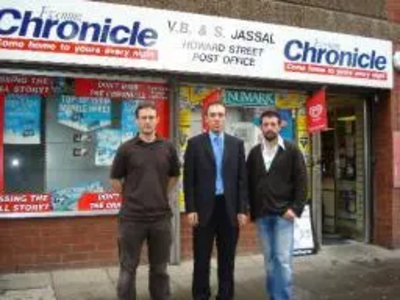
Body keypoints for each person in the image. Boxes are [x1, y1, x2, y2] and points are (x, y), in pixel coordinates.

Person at [110, 103, 180, 300]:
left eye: (151, 117)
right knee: (127, 269)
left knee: (159, 269)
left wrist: (160, 193)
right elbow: (115, 180)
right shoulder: (126, 149)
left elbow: (174, 175)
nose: (147, 121)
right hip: (131, 219)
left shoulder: (168, 147)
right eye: (143, 118)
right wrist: (132, 194)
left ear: (157, 120)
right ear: (137, 121)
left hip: (160, 219)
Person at [183, 102, 248, 300]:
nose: (217, 118)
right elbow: (189, 180)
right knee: (201, 258)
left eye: (220, 115)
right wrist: (191, 208)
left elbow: (241, 180)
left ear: (225, 118)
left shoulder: (236, 144)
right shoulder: (195, 144)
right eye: (213, 115)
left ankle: (225, 295)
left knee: (227, 259)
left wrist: (242, 209)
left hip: (229, 209)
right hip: (203, 209)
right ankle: (201, 295)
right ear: (206, 119)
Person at [246, 110, 307, 300]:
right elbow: (248, 183)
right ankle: (273, 296)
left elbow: (302, 182)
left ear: (280, 126)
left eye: (273, 124)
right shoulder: (255, 153)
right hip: (263, 215)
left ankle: (284, 297)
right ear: (261, 127)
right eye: (266, 124)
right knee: (270, 262)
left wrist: (295, 209)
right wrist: (250, 208)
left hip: (283, 215)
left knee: (283, 260)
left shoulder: (292, 150)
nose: (269, 128)